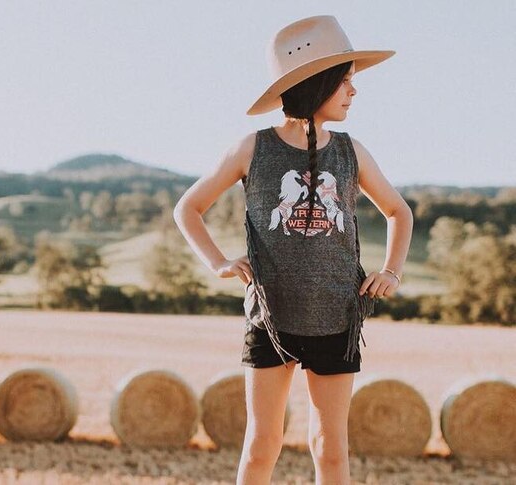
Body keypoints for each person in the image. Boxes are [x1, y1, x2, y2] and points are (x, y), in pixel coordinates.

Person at [173, 15, 413, 485]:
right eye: (344, 81)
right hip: (271, 319)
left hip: (338, 319)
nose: (353, 91)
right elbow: (189, 208)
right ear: (314, 82)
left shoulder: (352, 152)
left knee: (330, 449)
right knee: (262, 444)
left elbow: (399, 212)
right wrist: (219, 262)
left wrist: (393, 271)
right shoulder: (252, 149)